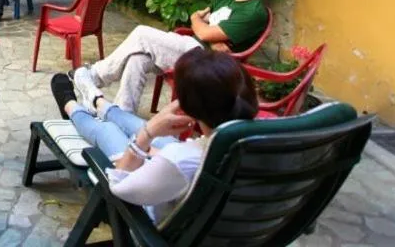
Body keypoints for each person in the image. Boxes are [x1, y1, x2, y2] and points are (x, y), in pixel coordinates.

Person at [50, 48, 258, 224]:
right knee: (144, 128)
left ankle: (70, 104)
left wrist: (147, 135)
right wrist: (154, 150)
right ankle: (98, 102)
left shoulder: (180, 159)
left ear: (188, 107)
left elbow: (118, 187)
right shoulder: (275, 140)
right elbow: (188, 160)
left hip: (148, 224)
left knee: (111, 132)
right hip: (197, 196)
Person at [73, 0, 269, 112]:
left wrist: (204, 30)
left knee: (141, 33)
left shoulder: (253, 12)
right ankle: (121, 114)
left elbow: (203, 30)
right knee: (137, 58)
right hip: (195, 47)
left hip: (210, 63)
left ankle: (94, 75)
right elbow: (200, 21)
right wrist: (203, 28)